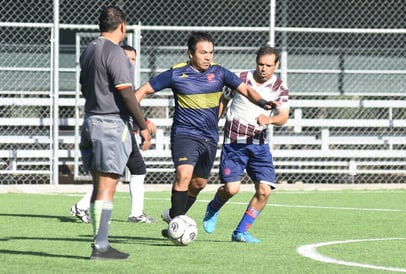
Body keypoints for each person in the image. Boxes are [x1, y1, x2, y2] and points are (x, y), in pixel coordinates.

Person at [134, 32, 277, 238]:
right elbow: (142, 91)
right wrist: (139, 121)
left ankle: (174, 215)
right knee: (184, 174)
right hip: (185, 134)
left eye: (211, 52)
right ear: (191, 53)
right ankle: (177, 224)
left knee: (199, 184)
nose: (208, 57)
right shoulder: (176, 73)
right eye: (203, 53)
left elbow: (245, 90)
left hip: (209, 138)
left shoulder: (219, 72)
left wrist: (263, 103)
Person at [79, 6, 150, 260]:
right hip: (110, 124)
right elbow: (125, 92)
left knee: (99, 187)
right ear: (123, 25)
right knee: (107, 188)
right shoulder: (116, 53)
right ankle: (101, 247)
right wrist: (143, 125)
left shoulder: (89, 50)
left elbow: (83, 88)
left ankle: (100, 243)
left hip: (90, 121)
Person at [202, 45, 290, 243]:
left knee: (265, 190)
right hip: (234, 143)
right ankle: (214, 207)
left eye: (268, 65)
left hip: (259, 145)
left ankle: (240, 232)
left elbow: (283, 116)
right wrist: (212, 123)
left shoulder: (280, 87)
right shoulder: (239, 78)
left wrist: (270, 120)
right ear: (255, 62)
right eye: (260, 64)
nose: (263, 69)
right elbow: (222, 100)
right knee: (232, 189)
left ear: (276, 65)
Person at [71, 45, 157, 224]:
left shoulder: (123, 75)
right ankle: (83, 207)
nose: (131, 62)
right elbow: (124, 103)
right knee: (112, 174)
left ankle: (135, 213)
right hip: (116, 130)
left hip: (123, 129)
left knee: (135, 169)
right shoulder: (116, 75)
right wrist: (144, 124)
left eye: (134, 59)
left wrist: (144, 121)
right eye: (127, 58)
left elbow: (129, 103)